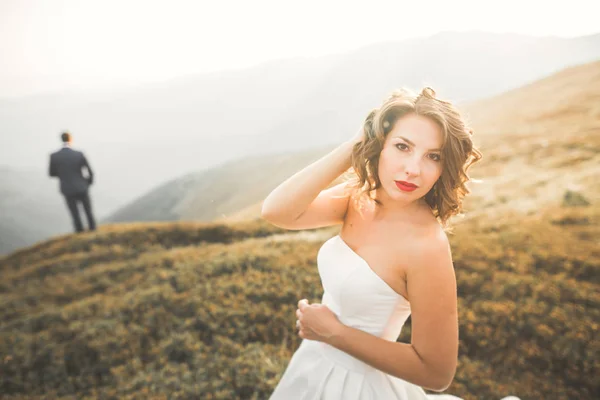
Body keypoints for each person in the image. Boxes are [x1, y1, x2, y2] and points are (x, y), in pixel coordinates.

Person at [261, 87, 520, 399]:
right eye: (402, 146)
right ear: (379, 146)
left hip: (361, 386)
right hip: (314, 363)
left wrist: (334, 333)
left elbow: (437, 373)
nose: (413, 169)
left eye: (433, 156)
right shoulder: (358, 197)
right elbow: (277, 212)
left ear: (444, 167)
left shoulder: (427, 249)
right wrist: (354, 145)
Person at [49, 131, 97, 233]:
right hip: (82, 186)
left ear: (61, 139)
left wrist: (63, 175)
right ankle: (93, 229)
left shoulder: (54, 156)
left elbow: (52, 173)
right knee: (88, 210)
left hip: (67, 188)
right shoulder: (79, 154)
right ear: (70, 139)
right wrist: (88, 183)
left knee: (74, 213)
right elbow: (90, 171)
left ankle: (79, 231)